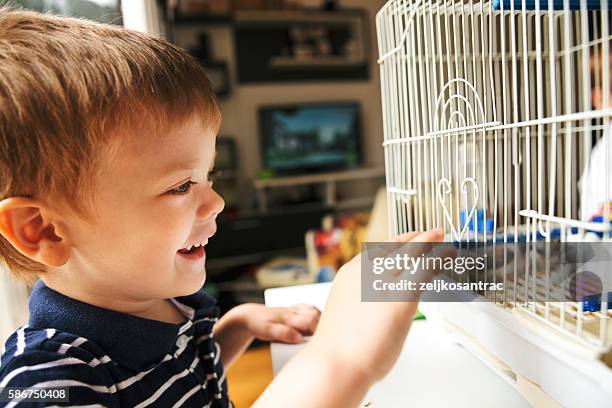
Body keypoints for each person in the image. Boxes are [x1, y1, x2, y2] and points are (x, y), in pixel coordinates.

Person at [0, 7, 443, 407]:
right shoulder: (45, 380)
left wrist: (233, 329)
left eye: (208, 177)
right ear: (44, 230)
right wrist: (341, 359)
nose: (215, 201)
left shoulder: (167, 297)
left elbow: (184, 381)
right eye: (179, 186)